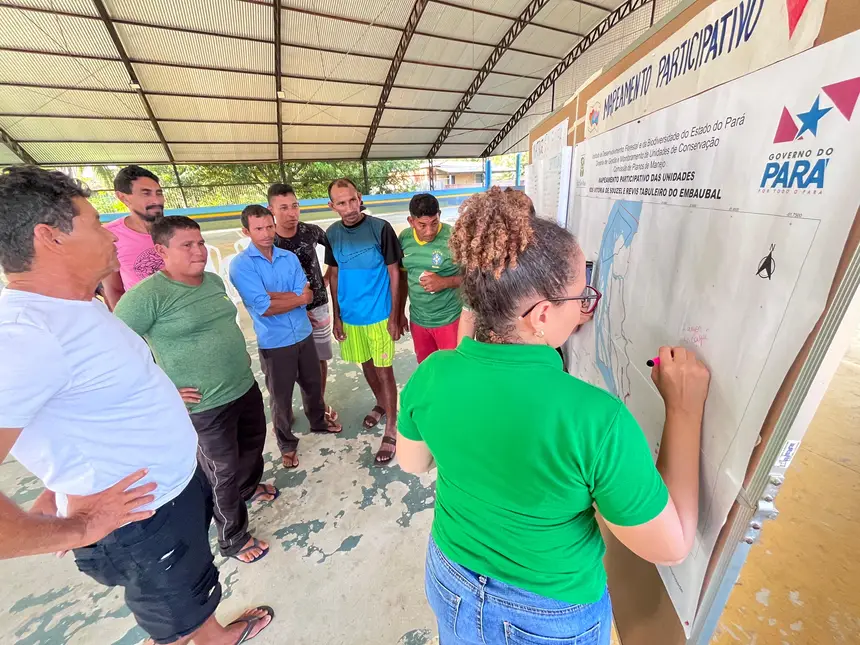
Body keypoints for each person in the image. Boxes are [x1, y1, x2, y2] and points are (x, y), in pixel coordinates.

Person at [396, 186, 710, 645]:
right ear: (541, 315)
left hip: (450, 576)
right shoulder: (597, 419)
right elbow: (672, 545)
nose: (585, 308)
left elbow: (412, 463)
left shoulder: (432, 374)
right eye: (581, 297)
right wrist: (683, 410)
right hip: (546, 613)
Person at [0, 167, 273, 644]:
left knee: (189, 590)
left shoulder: (74, 306)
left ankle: (208, 632)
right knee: (171, 612)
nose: (111, 234)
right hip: (141, 521)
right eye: (93, 223)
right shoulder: (23, 335)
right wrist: (76, 529)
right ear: (50, 237)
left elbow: (71, 408)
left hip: (167, 495)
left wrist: (54, 477)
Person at [114, 215, 277, 565]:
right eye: (186, 245)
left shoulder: (213, 282)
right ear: (161, 251)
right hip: (204, 405)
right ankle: (233, 538)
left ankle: (248, 489)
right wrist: (162, 388)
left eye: (200, 243)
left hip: (242, 385)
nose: (198, 251)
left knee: (252, 447)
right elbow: (114, 351)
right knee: (222, 472)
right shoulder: (146, 297)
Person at [230, 205, 340, 471]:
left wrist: (275, 297)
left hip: (303, 333)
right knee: (280, 397)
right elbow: (264, 307)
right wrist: (293, 299)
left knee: (313, 384)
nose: (266, 233)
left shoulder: (288, 257)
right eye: (258, 228)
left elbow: (307, 294)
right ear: (246, 231)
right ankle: (286, 443)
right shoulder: (241, 265)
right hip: (274, 341)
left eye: (269, 226)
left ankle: (318, 421)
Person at [326, 178, 403, 465]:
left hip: (379, 314)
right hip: (351, 316)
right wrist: (337, 316)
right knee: (366, 364)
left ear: (359, 198)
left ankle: (392, 427)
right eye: (341, 203)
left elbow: (394, 272)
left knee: (384, 370)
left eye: (352, 200)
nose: (349, 208)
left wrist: (395, 315)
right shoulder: (332, 234)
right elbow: (334, 274)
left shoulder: (380, 228)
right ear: (332, 206)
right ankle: (381, 404)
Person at [268, 183, 339, 425]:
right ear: (271, 209)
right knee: (288, 364)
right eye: (284, 208)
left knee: (319, 359)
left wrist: (326, 278)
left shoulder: (312, 232)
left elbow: (336, 255)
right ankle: (285, 411)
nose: (292, 213)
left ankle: (318, 403)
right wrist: (293, 305)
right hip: (286, 311)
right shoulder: (269, 241)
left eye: (295, 206)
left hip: (317, 306)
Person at [398, 193, 462, 363]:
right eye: (422, 225)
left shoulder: (455, 237)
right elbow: (403, 279)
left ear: (439, 215)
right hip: (418, 321)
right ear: (411, 221)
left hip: (450, 319)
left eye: (434, 223)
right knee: (426, 368)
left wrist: (445, 282)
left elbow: (474, 278)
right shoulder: (404, 238)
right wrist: (400, 313)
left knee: (453, 369)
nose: (429, 231)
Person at [101, 166, 166, 309]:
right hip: (143, 314)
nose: (156, 200)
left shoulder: (176, 228)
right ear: (123, 197)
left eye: (159, 193)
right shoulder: (109, 236)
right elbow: (113, 290)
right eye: (146, 193)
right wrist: (125, 321)